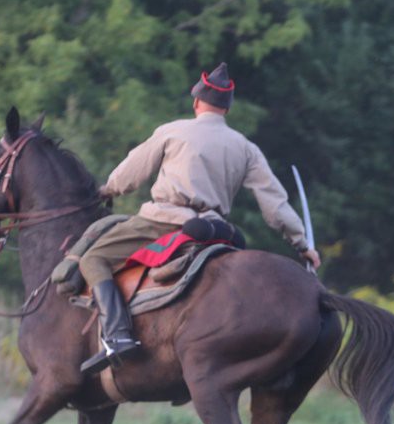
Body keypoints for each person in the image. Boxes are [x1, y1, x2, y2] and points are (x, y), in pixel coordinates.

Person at [77, 62, 320, 375]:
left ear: (196, 102)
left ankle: (117, 335)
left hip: (162, 222)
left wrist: (108, 189)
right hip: (215, 230)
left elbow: (129, 175)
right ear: (226, 109)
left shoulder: (172, 131)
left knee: (93, 259)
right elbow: (275, 204)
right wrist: (301, 244)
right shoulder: (246, 148)